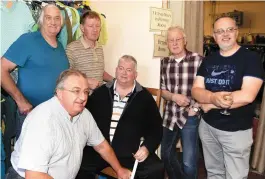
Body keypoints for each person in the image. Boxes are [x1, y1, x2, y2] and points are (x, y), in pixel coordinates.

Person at [6, 69, 131, 179]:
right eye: (76, 91)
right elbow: (34, 175)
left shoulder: (84, 114)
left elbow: (102, 146)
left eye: (86, 91)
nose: (83, 97)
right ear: (59, 93)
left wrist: (119, 169)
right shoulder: (43, 120)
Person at [192, 16, 264, 179]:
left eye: (229, 29)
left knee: (236, 176)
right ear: (214, 36)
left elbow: (247, 96)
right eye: (220, 31)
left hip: (236, 131)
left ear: (236, 32)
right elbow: (196, 90)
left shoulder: (250, 59)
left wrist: (211, 104)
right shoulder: (209, 60)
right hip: (208, 127)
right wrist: (211, 97)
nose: (225, 34)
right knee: (214, 173)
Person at [76, 55, 164, 179]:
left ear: (135, 74)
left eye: (129, 70)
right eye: (121, 68)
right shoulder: (100, 93)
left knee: (156, 168)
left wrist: (147, 148)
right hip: (100, 151)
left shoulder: (144, 97)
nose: (124, 73)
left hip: (129, 154)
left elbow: (156, 129)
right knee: (77, 164)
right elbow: (83, 117)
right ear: (116, 70)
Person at [1, 4, 69, 138]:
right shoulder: (28, 40)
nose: (53, 22)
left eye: (57, 18)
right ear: (41, 21)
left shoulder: (60, 47)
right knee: (28, 157)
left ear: (61, 23)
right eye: (48, 18)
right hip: (31, 114)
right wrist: (21, 101)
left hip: (55, 116)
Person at [160, 26, 203, 179]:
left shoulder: (198, 60)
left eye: (178, 39)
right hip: (170, 115)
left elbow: (206, 88)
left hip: (190, 116)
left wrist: (196, 108)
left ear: (185, 41)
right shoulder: (164, 63)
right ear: (167, 43)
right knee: (165, 154)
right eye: (171, 40)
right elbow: (162, 90)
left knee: (189, 163)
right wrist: (173, 97)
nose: (175, 43)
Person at [66, 10, 113, 90]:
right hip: (81, 99)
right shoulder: (72, 48)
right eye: (91, 26)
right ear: (82, 28)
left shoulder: (99, 47)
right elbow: (66, 76)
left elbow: (100, 72)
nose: (95, 30)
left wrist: (116, 81)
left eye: (97, 26)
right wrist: (86, 81)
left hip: (98, 97)